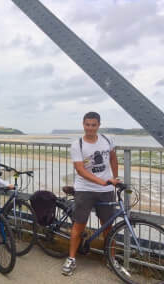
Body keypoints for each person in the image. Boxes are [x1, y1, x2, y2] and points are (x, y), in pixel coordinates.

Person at [62, 112, 119, 276]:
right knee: (79, 225)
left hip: (106, 190)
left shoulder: (107, 140)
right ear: (83, 124)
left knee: (109, 227)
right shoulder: (77, 144)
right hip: (85, 189)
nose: (90, 128)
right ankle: (71, 259)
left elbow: (113, 159)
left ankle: (111, 259)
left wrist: (114, 178)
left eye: (93, 125)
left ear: (99, 125)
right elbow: (80, 170)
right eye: (87, 125)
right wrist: (103, 182)